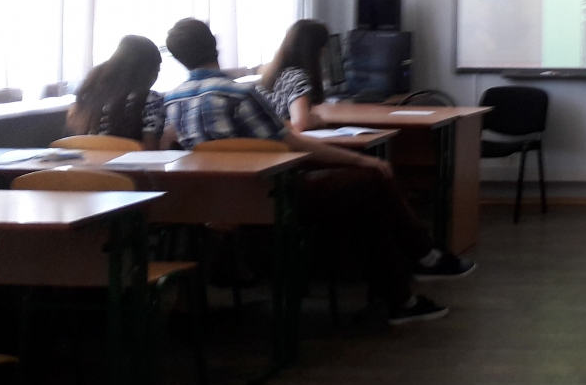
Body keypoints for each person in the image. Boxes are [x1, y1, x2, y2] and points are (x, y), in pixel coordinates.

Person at [162, 17, 473, 325]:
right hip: (271, 199)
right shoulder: (239, 95)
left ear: (178, 58)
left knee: (370, 202)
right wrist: (360, 159)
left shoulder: (173, 99)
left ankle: (405, 296)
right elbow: (293, 144)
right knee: (371, 179)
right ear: (214, 46)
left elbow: (174, 146)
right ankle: (422, 261)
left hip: (214, 207)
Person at [67, 35, 176, 149]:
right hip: (130, 160)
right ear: (148, 71)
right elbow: (150, 150)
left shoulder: (87, 95)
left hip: (86, 160)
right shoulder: (150, 100)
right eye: (157, 68)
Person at [257, 19, 331, 133]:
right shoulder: (298, 77)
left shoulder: (273, 73)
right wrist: (316, 120)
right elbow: (300, 122)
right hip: (281, 140)